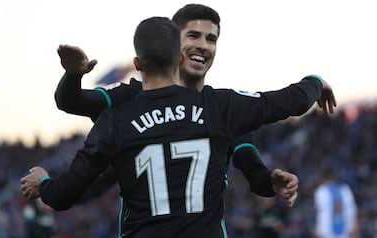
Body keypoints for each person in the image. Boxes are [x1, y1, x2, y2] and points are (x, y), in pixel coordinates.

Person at [21, 16, 333, 237]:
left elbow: (62, 195)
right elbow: (287, 101)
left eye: (210, 37)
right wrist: (316, 83)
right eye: (195, 36)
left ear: (138, 64)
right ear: (180, 55)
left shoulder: (118, 115)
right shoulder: (222, 107)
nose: (203, 46)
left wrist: (45, 182)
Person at [314, 167, 359, 238]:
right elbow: (353, 211)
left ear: (323, 178)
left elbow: (318, 213)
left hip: (326, 232)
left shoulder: (321, 191)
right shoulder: (345, 189)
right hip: (345, 232)